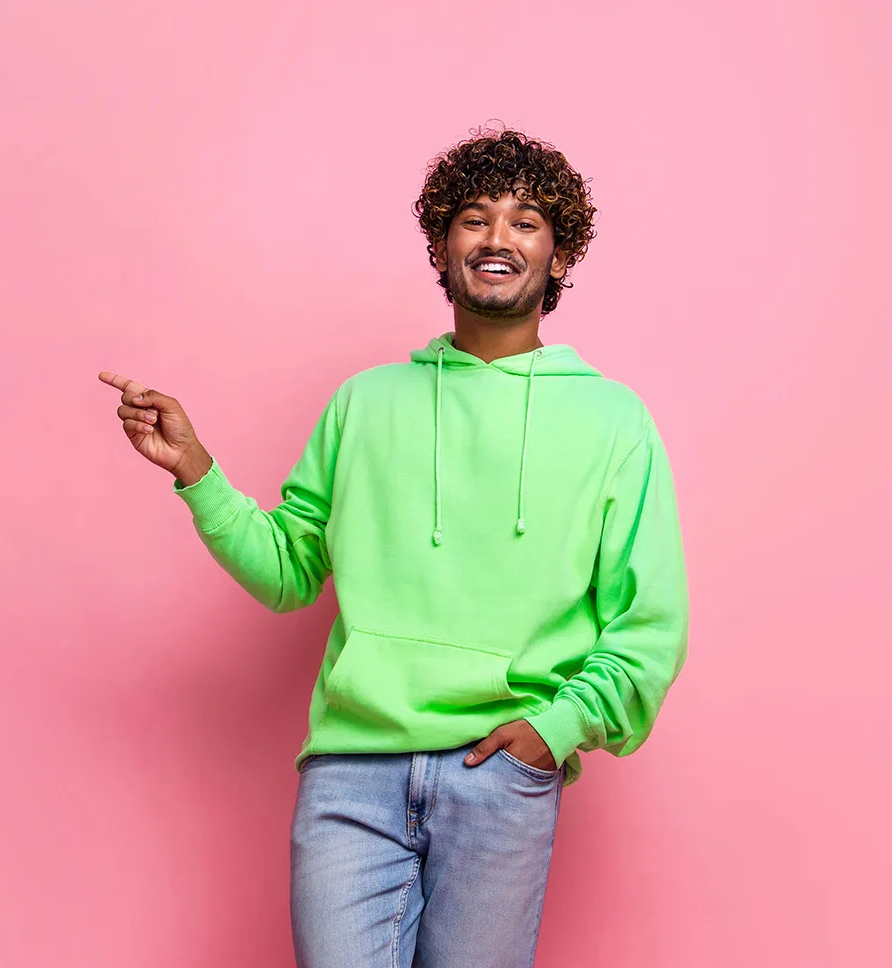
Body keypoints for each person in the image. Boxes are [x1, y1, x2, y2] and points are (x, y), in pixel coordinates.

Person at [97, 126, 689, 967]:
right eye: (474, 218)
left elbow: (649, 624)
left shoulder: (614, 421)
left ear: (560, 258)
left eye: (526, 222)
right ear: (443, 246)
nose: (496, 238)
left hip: (502, 771)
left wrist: (555, 729)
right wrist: (197, 471)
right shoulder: (363, 405)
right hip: (352, 773)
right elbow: (289, 571)